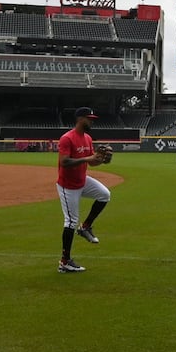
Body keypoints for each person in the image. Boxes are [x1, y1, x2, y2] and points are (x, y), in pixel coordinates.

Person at [56, 106, 111, 273]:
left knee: (104, 195)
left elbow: (91, 161)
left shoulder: (87, 138)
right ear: (80, 119)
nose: (91, 122)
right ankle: (64, 262)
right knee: (71, 221)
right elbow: (64, 162)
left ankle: (86, 227)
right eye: (89, 119)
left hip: (82, 180)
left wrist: (102, 160)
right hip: (68, 185)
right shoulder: (67, 138)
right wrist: (88, 157)